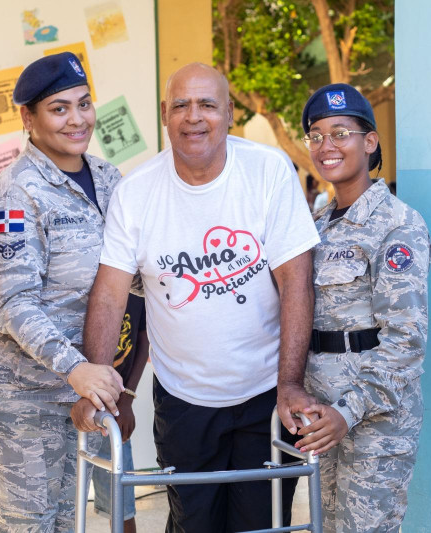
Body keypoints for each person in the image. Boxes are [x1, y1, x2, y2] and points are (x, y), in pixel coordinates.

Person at [71, 62, 320, 533]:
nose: (194, 116)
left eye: (207, 104)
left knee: (261, 525)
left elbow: (296, 283)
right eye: (181, 105)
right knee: (192, 525)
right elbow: (110, 297)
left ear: (228, 113)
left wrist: (290, 382)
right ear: (165, 114)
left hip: (265, 392)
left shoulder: (267, 172)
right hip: (184, 399)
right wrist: (99, 388)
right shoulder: (136, 192)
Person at [0, 52, 124, 532]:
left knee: (69, 521)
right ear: (28, 119)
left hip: (76, 385)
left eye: (84, 104)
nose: (77, 119)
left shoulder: (109, 179)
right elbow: (14, 304)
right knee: (29, 523)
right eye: (59, 108)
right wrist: (79, 370)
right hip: (13, 389)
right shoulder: (15, 193)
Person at [293, 83, 431, 532]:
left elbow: (405, 341)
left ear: (369, 142)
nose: (326, 146)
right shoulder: (315, 226)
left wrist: (347, 412)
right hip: (321, 416)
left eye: (340, 133)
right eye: (316, 135)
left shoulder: (397, 224)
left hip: (374, 422)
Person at [91, 294, 149, 533]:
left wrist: (127, 399)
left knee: (121, 502)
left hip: (113, 405)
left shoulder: (135, 284)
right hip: (71, 401)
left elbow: (144, 340)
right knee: (65, 500)